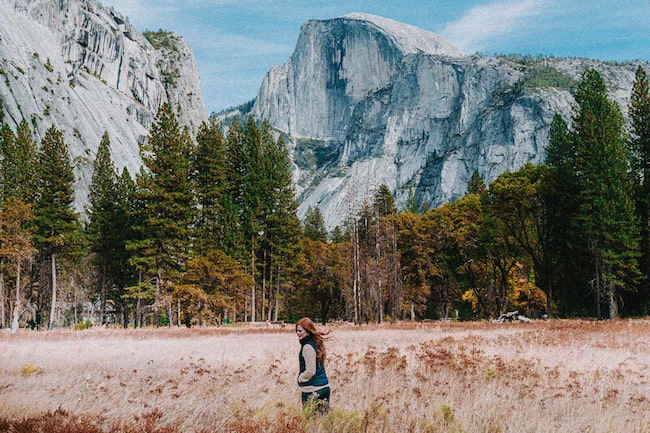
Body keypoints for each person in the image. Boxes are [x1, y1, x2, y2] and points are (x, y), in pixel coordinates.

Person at [296, 317, 331, 413]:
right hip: (324, 387)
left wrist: (300, 378)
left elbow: (311, 371)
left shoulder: (307, 347)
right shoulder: (316, 344)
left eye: (300, 331)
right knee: (323, 423)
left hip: (312, 390)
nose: (297, 333)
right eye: (297, 331)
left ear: (307, 331)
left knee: (310, 423)